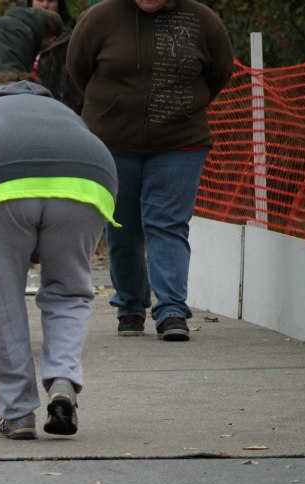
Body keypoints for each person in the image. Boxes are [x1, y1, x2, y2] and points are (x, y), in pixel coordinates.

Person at [0, 72, 118, 440]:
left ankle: (17, 413)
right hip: (88, 179)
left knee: (4, 300)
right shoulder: (60, 109)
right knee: (69, 291)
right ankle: (63, 381)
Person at [67, 0, 233, 341]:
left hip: (180, 140)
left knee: (167, 224)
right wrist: (113, 108)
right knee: (121, 226)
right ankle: (130, 306)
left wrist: (186, 106)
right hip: (111, 143)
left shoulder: (202, 20)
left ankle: (172, 309)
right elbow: (78, 69)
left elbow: (219, 74)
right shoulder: (99, 18)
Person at [25, 0, 83, 113]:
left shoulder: (74, 37)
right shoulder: (16, 34)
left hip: (64, 112)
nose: (45, 5)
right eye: (40, 0)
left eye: (51, 0)